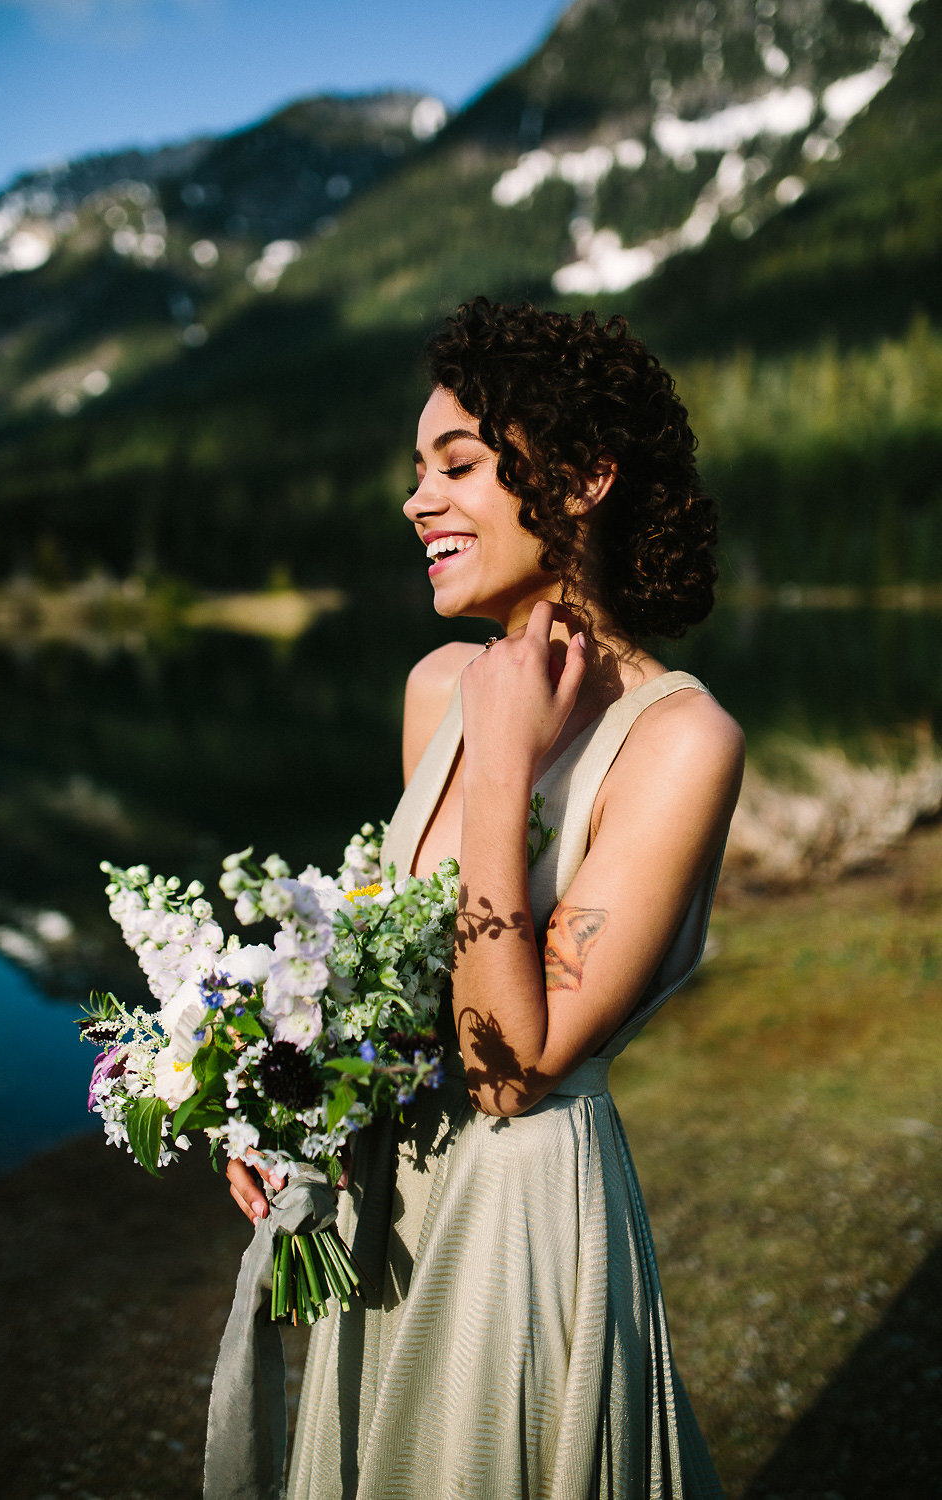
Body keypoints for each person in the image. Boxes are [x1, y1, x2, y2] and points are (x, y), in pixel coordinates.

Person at [218, 297, 744, 1499]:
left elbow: (511, 1068)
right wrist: (280, 1102)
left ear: (581, 481)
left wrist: (503, 763)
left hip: (518, 1218)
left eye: (456, 465)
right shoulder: (432, 687)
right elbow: (412, 987)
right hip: (385, 1203)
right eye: (417, 469)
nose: (417, 500)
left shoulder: (680, 738)